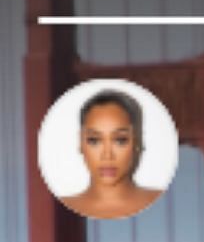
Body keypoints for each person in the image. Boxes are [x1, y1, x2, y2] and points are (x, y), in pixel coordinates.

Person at [60, 91, 162, 220]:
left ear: (136, 141)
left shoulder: (159, 199)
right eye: (94, 140)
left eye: (120, 140)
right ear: (81, 143)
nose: (107, 155)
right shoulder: (60, 208)